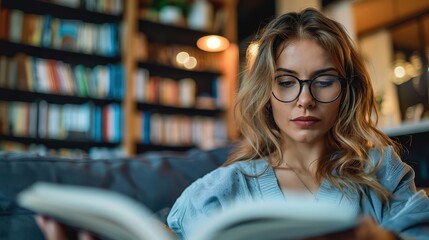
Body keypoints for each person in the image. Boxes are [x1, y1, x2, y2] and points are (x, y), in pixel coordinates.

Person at [38, 8, 429, 240]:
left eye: (323, 81)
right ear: (266, 93)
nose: (305, 99)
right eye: (286, 82)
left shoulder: (381, 171)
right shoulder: (221, 188)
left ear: (347, 89)